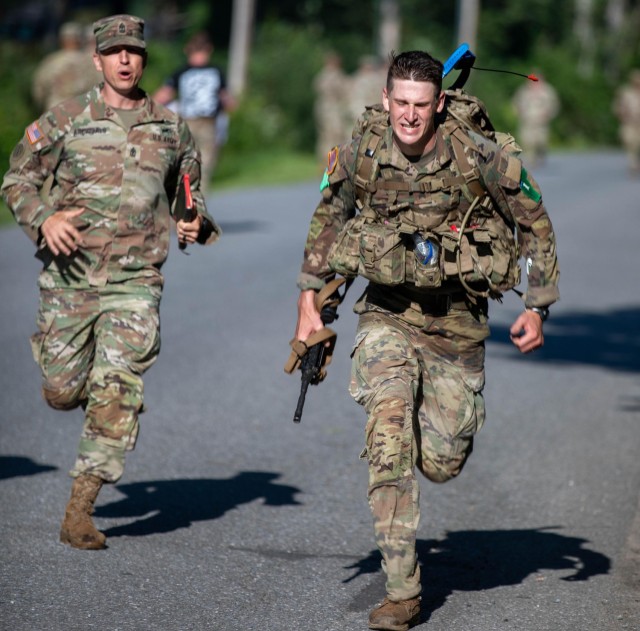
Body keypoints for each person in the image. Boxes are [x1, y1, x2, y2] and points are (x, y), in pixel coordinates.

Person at [292, 51, 559, 630]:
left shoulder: (478, 155)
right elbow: (328, 217)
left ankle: (426, 432)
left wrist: (537, 306)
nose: (409, 117)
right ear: (385, 100)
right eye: (400, 104)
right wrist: (307, 303)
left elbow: (534, 220)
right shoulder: (362, 149)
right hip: (387, 315)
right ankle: (403, 590)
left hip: (458, 326)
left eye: (421, 105)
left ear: (438, 103)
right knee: (387, 438)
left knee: (441, 462)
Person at [1, 14, 221, 551]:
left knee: (118, 386)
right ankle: (79, 385)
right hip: (71, 276)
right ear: (96, 60)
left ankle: (80, 509)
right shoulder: (65, 118)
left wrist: (194, 222)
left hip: (135, 280)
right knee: (61, 390)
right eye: (115, 51)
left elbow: (187, 195)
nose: (125, 60)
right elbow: (18, 178)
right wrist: (43, 219)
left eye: (135, 51)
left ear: (145, 60)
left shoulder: (171, 128)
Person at [153, 31, 237, 192]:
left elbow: (164, 95)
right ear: (209, 50)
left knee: (184, 166)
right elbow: (228, 101)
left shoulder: (182, 72)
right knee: (204, 168)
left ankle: (184, 203)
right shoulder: (216, 71)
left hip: (187, 123)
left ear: (187, 50)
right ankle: (198, 206)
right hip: (208, 123)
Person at [32, 21, 101, 111]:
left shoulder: (51, 61)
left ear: (61, 40)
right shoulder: (88, 61)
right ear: (79, 40)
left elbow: (39, 90)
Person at [511, 73, 560, 168]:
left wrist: (548, 114)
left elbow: (554, 105)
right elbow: (515, 103)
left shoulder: (547, 91)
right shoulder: (523, 91)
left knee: (541, 142)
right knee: (527, 141)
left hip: (541, 122)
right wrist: (518, 112)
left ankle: (540, 154)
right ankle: (531, 161)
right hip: (527, 121)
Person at [313, 51, 350, 165]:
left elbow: (316, 88)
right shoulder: (337, 76)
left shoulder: (321, 75)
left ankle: (323, 161)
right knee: (336, 135)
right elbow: (344, 92)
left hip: (322, 108)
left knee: (324, 137)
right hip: (333, 110)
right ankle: (332, 162)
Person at [613, 69, 640, 176]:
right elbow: (618, 107)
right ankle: (632, 163)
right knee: (628, 141)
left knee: (637, 142)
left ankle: (635, 161)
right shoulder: (626, 93)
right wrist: (622, 115)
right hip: (629, 122)